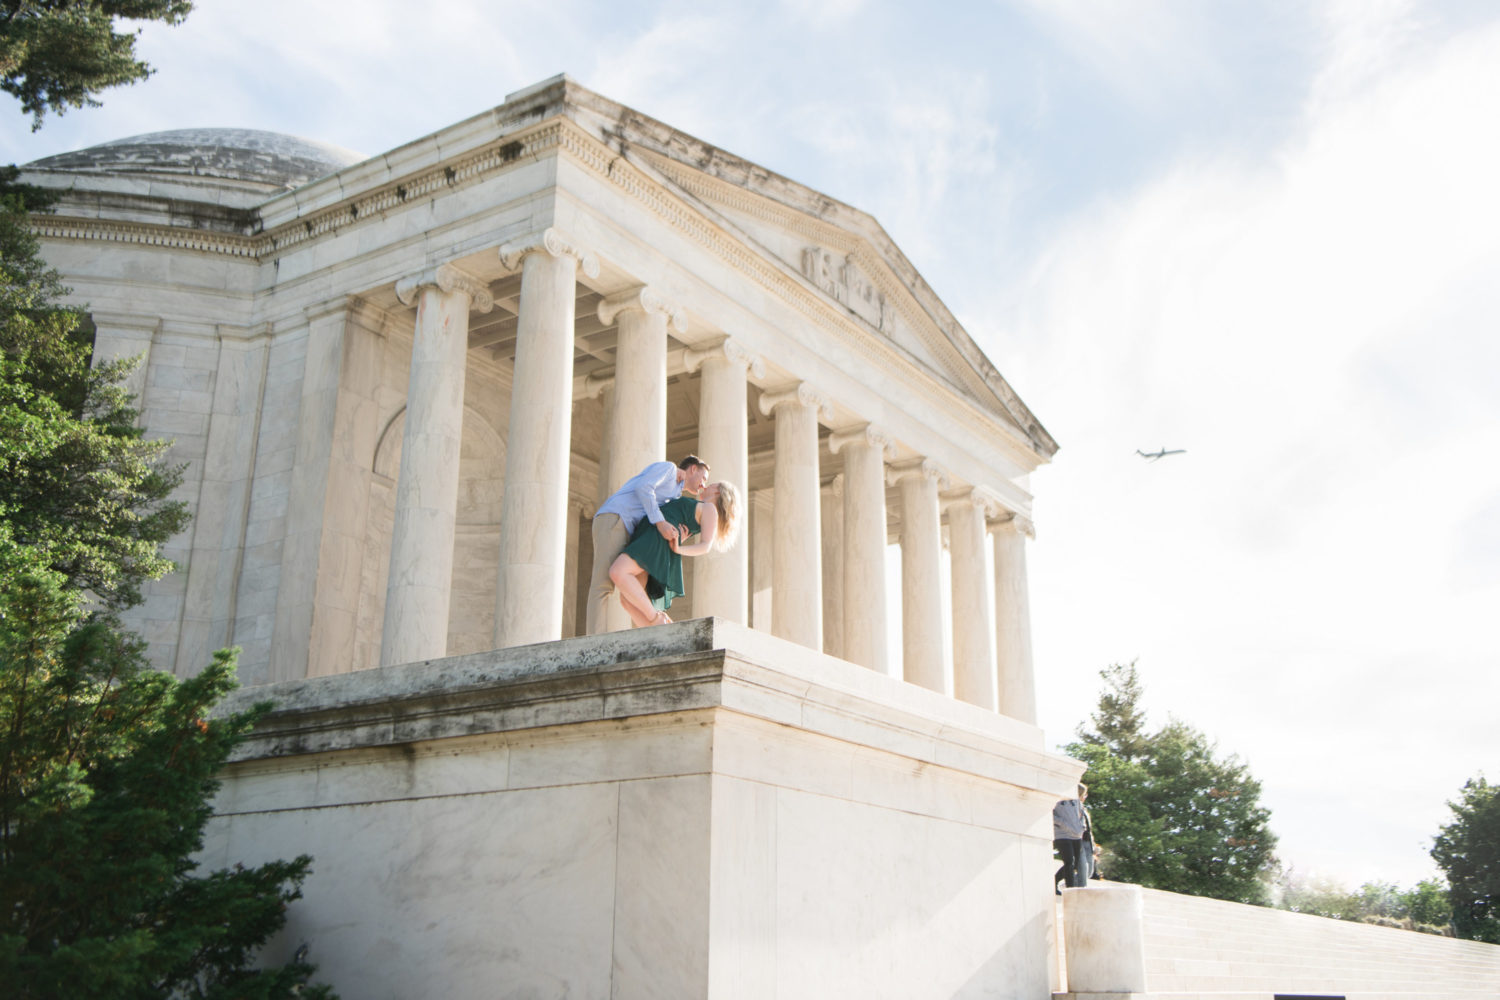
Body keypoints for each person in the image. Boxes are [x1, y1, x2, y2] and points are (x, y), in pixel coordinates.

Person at [586, 456, 709, 635]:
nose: (704, 485)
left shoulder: (675, 494)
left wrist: (678, 535)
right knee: (602, 583)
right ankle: (594, 639)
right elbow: (644, 487)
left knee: (629, 591)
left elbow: (662, 515)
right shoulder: (669, 469)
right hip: (616, 518)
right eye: (703, 478)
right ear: (692, 469)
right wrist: (661, 523)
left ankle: (654, 629)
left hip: (629, 527)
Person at [608, 481, 741, 626]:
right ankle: (660, 632)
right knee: (627, 600)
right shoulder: (703, 509)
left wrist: (679, 549)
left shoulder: (710, 508)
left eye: (712, 485)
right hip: (650, 535)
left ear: (717, 491)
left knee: (618, 572)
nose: (706, 485)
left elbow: (705, 546)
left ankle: (656, 619)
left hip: (654, 538)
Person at [1053, 783, 1091, 893]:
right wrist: (1063, 824)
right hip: (1062, 835)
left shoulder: (1077, 802)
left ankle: (1054, 880)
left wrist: (1082, 828)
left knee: (1074, 864)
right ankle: (1070, 890)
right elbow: (1051, 815)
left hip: (1076, 836)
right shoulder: (1057, 800)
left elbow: (1081, 815)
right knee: (1069, 861)